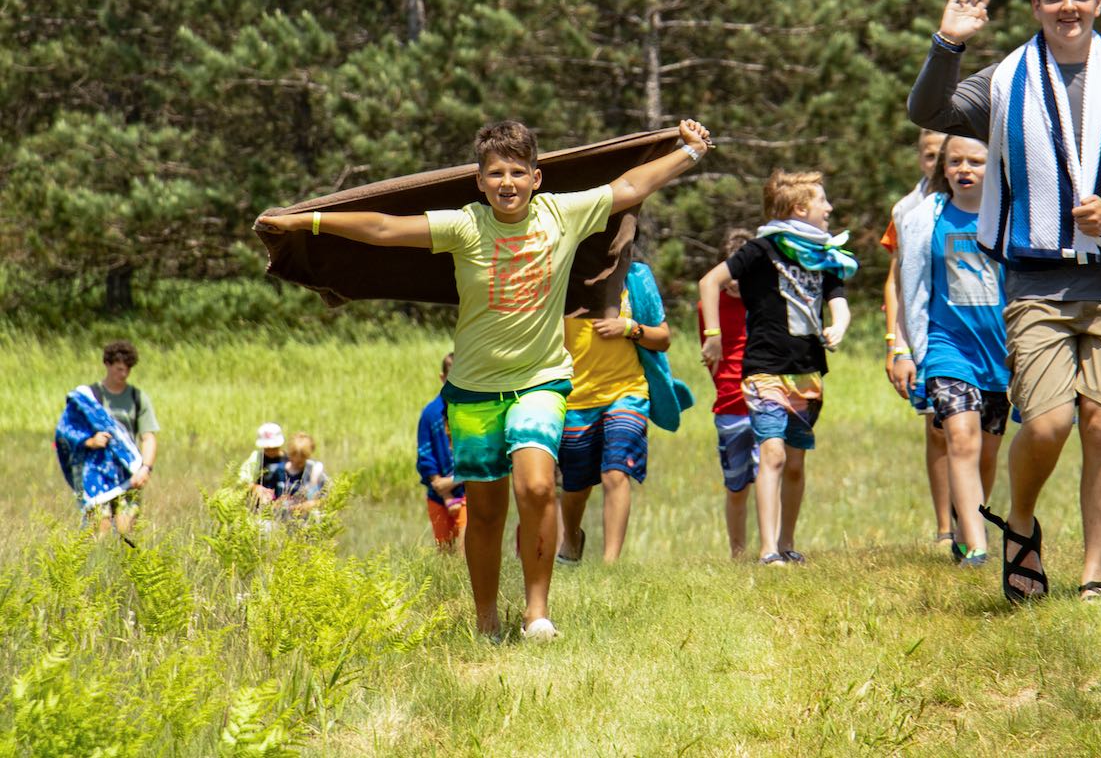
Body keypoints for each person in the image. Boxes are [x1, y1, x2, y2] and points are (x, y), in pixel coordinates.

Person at [257, 117, 713, 641]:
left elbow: (630, 187)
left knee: (537, 486)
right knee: (487, 511)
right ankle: (486, 621)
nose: (507, 183)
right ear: (479, 180)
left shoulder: (561, 214)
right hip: (474, 390)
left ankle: (537, 615)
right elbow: (383, 228)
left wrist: (689, 152)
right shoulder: (466, 226)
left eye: (518, 173)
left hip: (541, 381)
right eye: (496, 173)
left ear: (536, 178)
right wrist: (306, 221)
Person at [908, 0, 1101, 603]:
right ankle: (1022, 522)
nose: (1069, 7)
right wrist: (948, 44)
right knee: (1045, 424)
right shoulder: (1006, 80)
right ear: (1036, 6)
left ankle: (1094, 575)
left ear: (1099, 3)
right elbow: (930, 114)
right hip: (1036, 282)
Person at [698, 171, 854, 566]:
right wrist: (713, 335)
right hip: (763, 369)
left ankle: (786, 542)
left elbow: (838, 301)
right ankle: (768, 550)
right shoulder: (761, 249)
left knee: (795, 463)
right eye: (822, 201)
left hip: (807, 371)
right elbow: (710, 281)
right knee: (773, 454)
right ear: (799, 208)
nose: (829, 207)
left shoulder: (821, 255)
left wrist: (839, 326)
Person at [897, 135, 1011, 567]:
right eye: (955, 161)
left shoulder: (1008, 217)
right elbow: (910, 288)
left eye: (976, 161)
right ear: (943, 168)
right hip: (947, 347)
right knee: (961, 438)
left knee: (988, 452)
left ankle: (967, 528)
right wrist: (902, 349)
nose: (965, 169)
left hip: (1000, 352)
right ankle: (978, 548)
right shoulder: (925, 220)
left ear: (994, 166)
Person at [557, 257, 672, 565]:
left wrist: (630, 328)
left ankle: (610, 565)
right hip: (576, 400)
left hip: (627, 392)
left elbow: (663, 338)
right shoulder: (562, 275)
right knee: (575, 488)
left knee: (616, 472)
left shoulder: (635, 277)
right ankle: (571, 539)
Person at [880, 130, 955, 550]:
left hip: (972, 325)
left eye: (943, 154)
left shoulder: (981, 198)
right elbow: (896, 279)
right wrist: (895, 343)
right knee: (937, 427)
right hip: (926, 329)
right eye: (929, 155)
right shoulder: (906, 209)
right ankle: (946, 526)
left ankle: (974, 516)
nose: (937, 163)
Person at [54, 340, 158, 538]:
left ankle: (122, 558)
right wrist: (90, 441)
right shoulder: (88, 397)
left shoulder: (138, 398)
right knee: (99, 530)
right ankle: (97, 559)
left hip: (128, 473)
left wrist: (146, 468)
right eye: (119, 369)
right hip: (95, 472)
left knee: (126, 531)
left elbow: (148, 437)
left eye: (128, 369)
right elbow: (65, 432)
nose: (124, 374)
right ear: (107, 364)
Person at [698, 228, 755, 559]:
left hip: (765, 401)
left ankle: (774, 547)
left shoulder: (763, 303)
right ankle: (738, 554)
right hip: (730, 406)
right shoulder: (708, 308)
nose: (734, 282)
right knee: (737, 486)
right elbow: (711, 356)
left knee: (771, 475)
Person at [418, 351, 468, 552]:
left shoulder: (470, 411)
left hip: (467, 491)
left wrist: (454, 480)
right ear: (443, 377)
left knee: (465, 552)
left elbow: (477, 454)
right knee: (444, 552)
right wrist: (443, 489)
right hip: (437, 494)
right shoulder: (430, 414)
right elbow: (425, 455)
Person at [272, 431, 330, 519]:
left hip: (306, 518)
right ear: (289, 455)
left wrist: (312, 504)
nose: (296, 464)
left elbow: (327, 497)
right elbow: (271, 495)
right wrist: (276, 502)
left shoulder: (314, 472)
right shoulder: (280, 471)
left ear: (308, 457)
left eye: (300, 462)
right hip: (282, 517)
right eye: (293, 460)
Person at [239, 422, 289, 506]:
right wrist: (255, 487)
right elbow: (242, 480)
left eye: (274, 448)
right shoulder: (256, 458)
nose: (270, 450)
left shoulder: (289, 460)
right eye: (266, 448)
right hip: (260, 504)